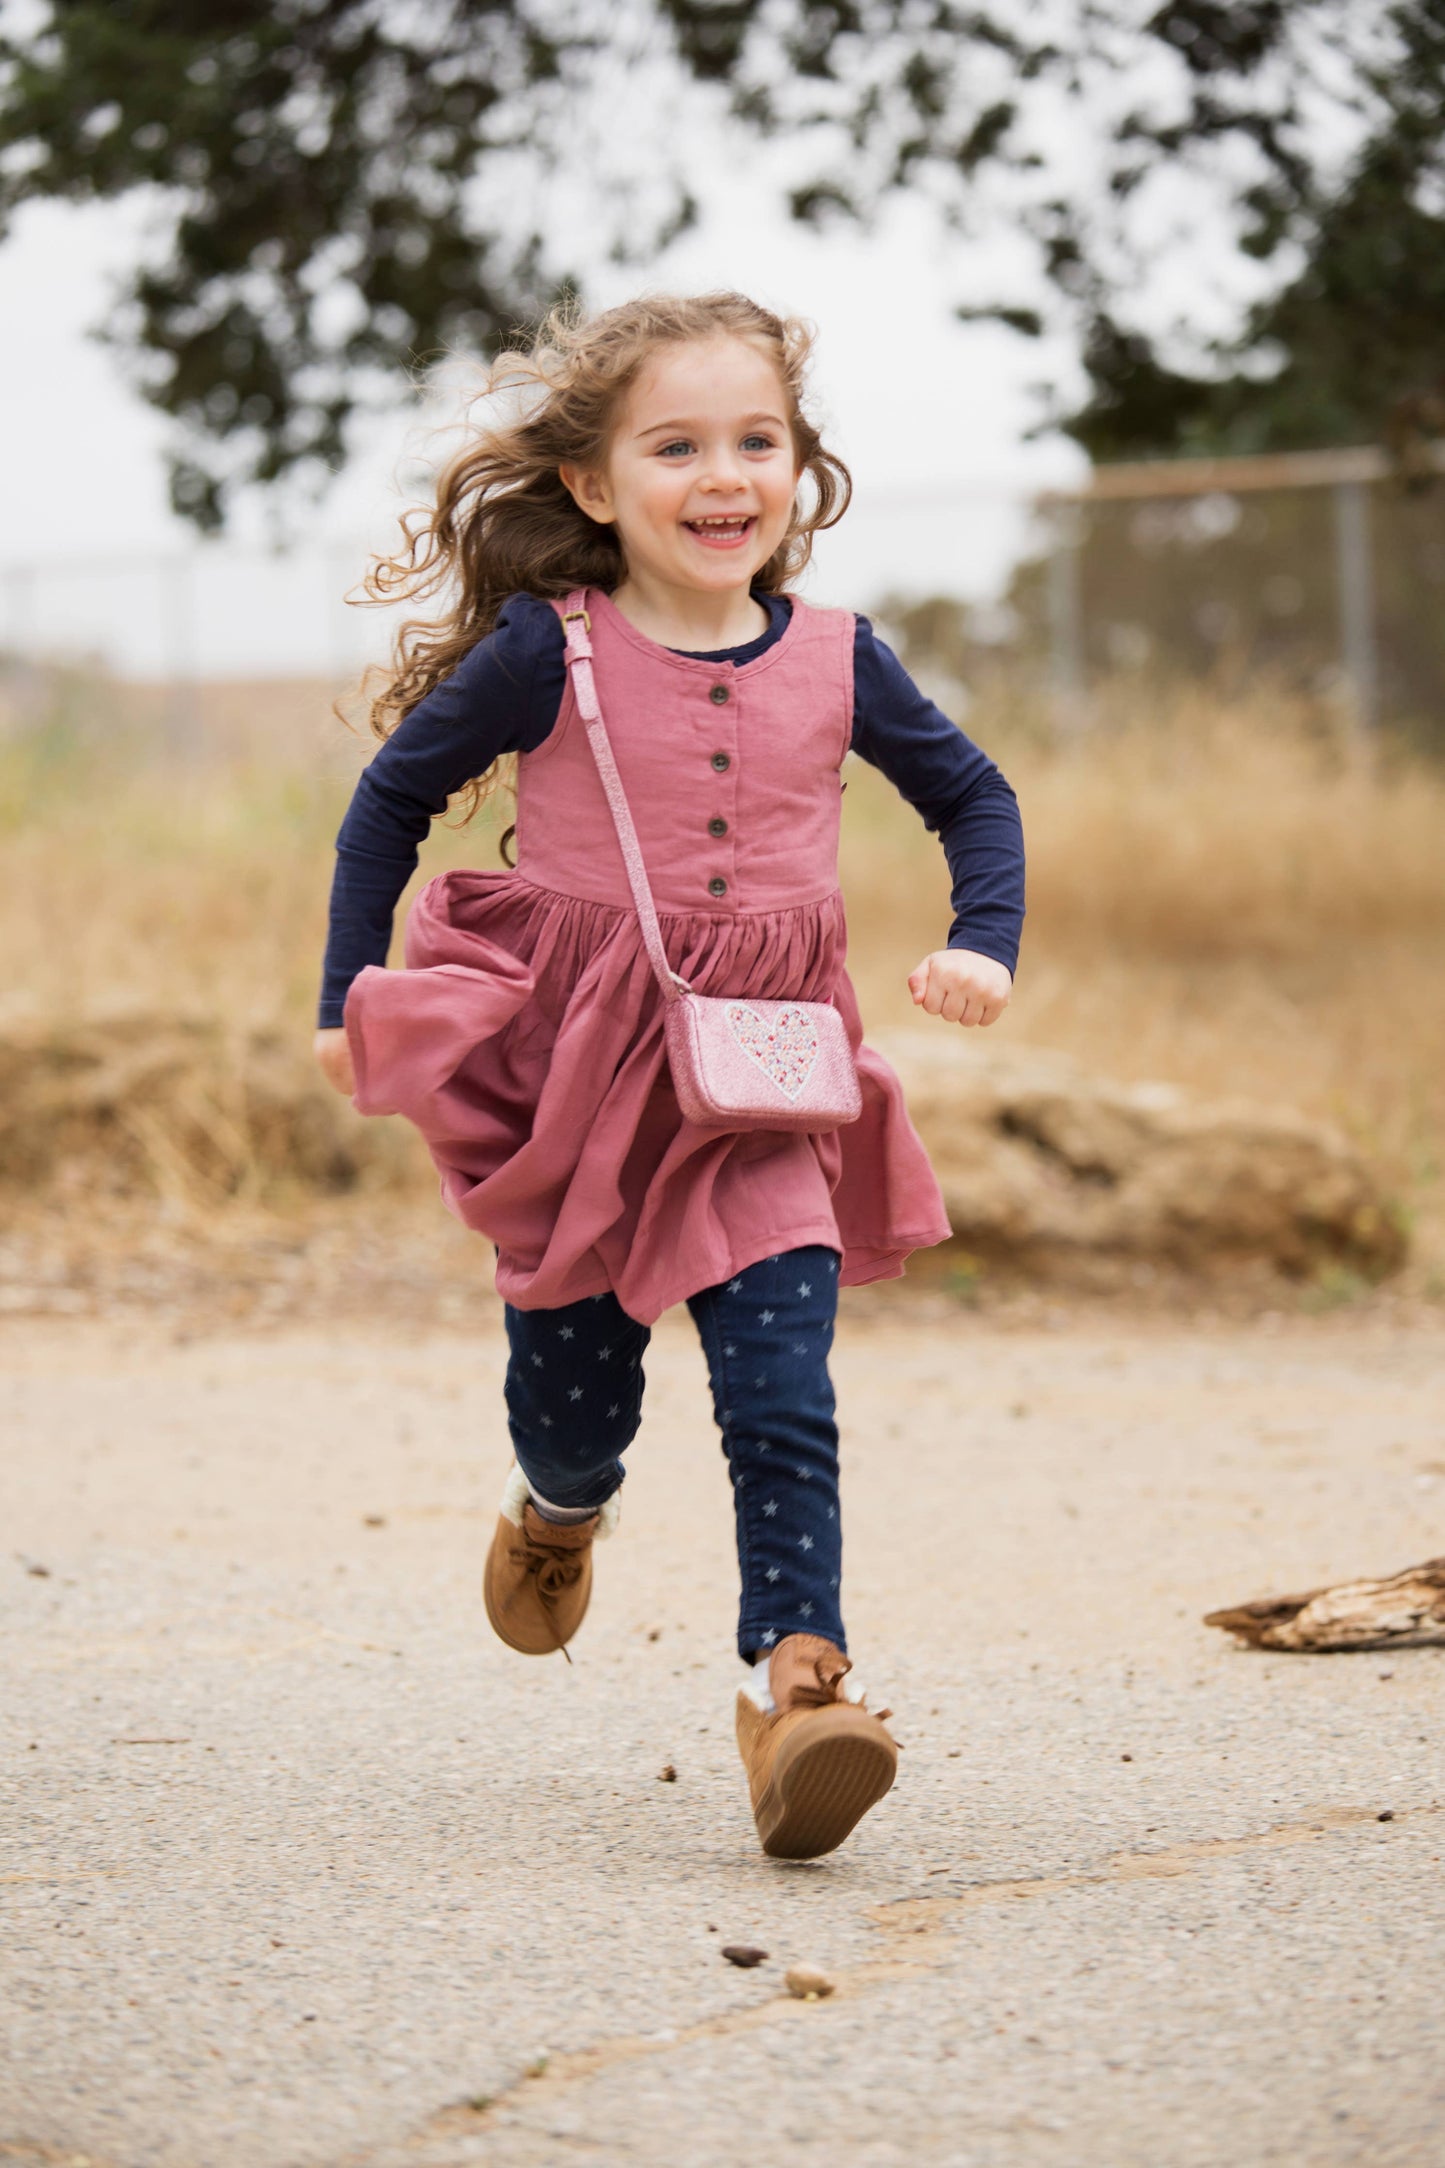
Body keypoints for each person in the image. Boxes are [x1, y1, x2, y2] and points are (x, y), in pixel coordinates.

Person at [313, 291, 1025, 1861]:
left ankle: (801, 1688)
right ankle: (559, 1507)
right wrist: (338, 992)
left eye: (755, 441)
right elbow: (391, 801)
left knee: (782, 1394)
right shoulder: (538, 655)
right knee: (578, 1406)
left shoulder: (841, 658)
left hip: (766, 1074)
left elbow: (972, 796)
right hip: (581, 1074)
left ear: (798, 470)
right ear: (591, 485)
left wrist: (983, 942)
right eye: (677, 444)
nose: (724, 474)